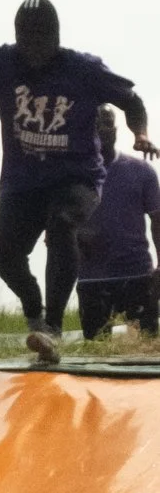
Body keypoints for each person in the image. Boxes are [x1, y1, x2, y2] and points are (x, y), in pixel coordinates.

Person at [0, 0, 150, 363]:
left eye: (41, 46)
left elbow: (132, 101)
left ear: (55, 39)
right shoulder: (0, 62)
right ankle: (34, 311)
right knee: (4, 255)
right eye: (26, 45)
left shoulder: (83, 69)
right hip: (23, 181)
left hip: (76, 176)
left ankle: (53, 327)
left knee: (62, 224)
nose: (33, 55)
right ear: (17, 39)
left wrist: (140, 133)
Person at [76, 105, 160, 344]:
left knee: (147, 348)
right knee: (96, 355)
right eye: (96, 126)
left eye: (108, 124)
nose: (103, 131)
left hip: (137, 276)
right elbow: (56, 222)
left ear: (116, 129)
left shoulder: (142, 171)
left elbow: (158, 220)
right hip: (92, 279)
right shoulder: (73, 174)